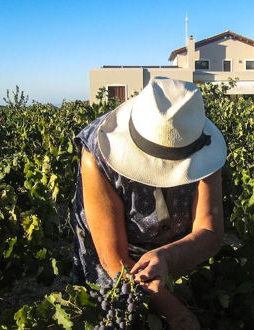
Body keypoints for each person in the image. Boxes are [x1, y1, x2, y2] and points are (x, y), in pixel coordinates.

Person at [70, 77, 227, 328]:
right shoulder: (96, 152)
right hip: (116, 257)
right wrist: (175, 312)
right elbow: (113, 258)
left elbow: (208, 231)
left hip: (177, 247)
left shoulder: (198, 140)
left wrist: (168, 257)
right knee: (115, 308)